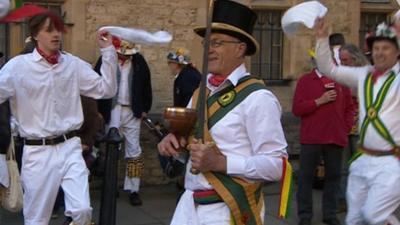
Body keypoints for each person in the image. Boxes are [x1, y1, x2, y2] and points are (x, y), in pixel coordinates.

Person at [157, 0, 288, 224]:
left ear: (240, 48)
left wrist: (222, 163)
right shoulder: (200, 92)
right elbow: (189, 133)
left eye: (216, 42)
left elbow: (277, 166)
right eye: (207, 42)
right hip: (189, 205)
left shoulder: (259, 98)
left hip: (228, 210)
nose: (209, 49)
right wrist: (172, 138)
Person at [0, 11, 117, 225]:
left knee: (82, 211)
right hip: (37, 153)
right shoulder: (17, 68)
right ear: (35, 34)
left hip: (70, 146)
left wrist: (108, 51)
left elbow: (106, 89)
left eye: (58, 29)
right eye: (49, 30)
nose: (56, 34)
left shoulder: (72, 64)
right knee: (37, 219)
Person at [314, 18, 400, 225]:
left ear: (397, 52)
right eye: (376, 48)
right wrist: (321, 38)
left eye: (386, 48)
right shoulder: (363, 75)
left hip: (391, 162)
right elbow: (330, 70)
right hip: (362, 159)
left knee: (374, 215)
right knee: (353, 219)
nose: (380, 52)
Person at [292, 48, 353, 225]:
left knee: (333, 178)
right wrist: (320, 101)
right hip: (311, 138)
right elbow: (297, 109)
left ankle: (330, 214)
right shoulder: (305, 81)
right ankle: (305, 216)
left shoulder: (341, 81)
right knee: (305, 178)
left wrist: (345, 127)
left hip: (335, 137)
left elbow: (349, 107)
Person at [95, 36, 152, 206]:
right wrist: (98, 111)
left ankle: (133, 189)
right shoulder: (105, 59)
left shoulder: (139, 62)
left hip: (132, 110)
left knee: (134, 151)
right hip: (113, 109)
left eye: (128, 54)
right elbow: (96, 83)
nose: (126, 57)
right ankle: (110, 186)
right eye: (123, 54)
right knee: (112, 148)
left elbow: (146, 85)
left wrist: (145, 108)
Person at [337, 43, 370, 212]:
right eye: (341, 60)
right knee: (343, 168)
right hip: (343, 126)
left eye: (345, 60)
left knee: (361, 166)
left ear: (355, 58)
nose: (342, 63)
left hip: (361, 128)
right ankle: (343, 200)